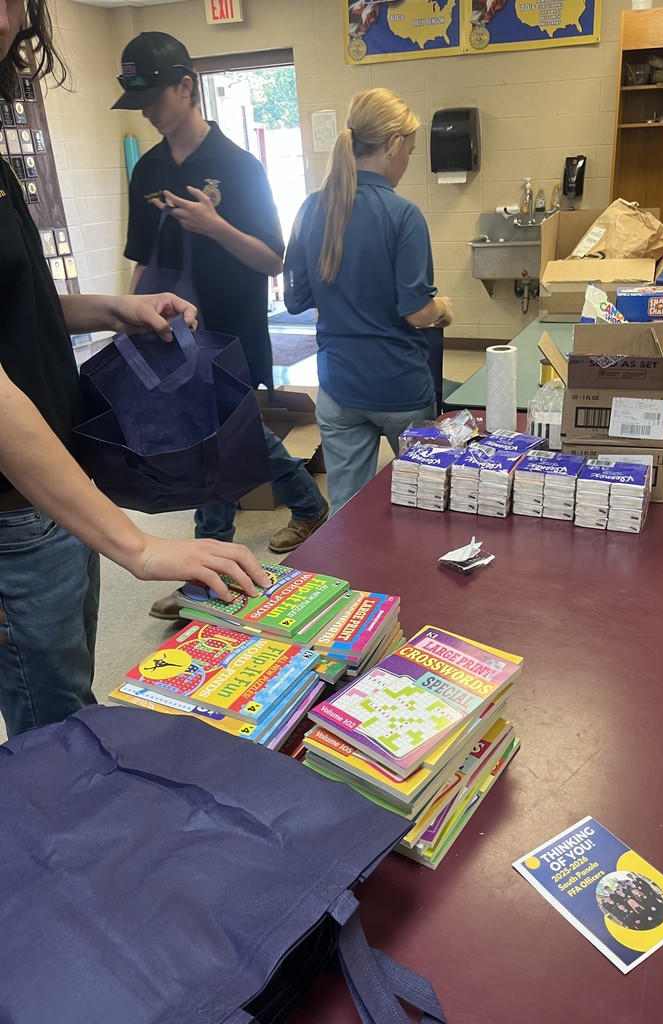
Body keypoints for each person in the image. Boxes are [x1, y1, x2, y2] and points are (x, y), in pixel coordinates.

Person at [0, 4, 272, 737]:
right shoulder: (148, 168)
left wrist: (116, 309)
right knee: (52, 721)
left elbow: (21, 301)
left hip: (61, 474)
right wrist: (138, 544)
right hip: (17, 499)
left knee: (66, 686)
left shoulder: (237, 167)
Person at [112, 32, 328, 619]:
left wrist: (215, 227)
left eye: (156, 96)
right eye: (139, 101)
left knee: (217, 445)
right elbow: (142, 257)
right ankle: (298, 512)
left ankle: (207, 579)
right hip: (168, 336)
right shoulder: (148, 169)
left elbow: (273, 260)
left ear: (187, 86)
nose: (150, 111)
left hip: (229, 335)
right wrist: (125, 319)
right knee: (218, 443)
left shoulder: (238, 167)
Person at [283, 87, 453, 514]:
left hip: (339, 387)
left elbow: (295, 298)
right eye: (410, 151)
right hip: (399, 387)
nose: (406, 163)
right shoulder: (403, 214)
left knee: (347, 512)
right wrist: (444, 309)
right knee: (425, 502)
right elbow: (416, 311)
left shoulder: (310, 208)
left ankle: (348, 579)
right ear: (393, 144)